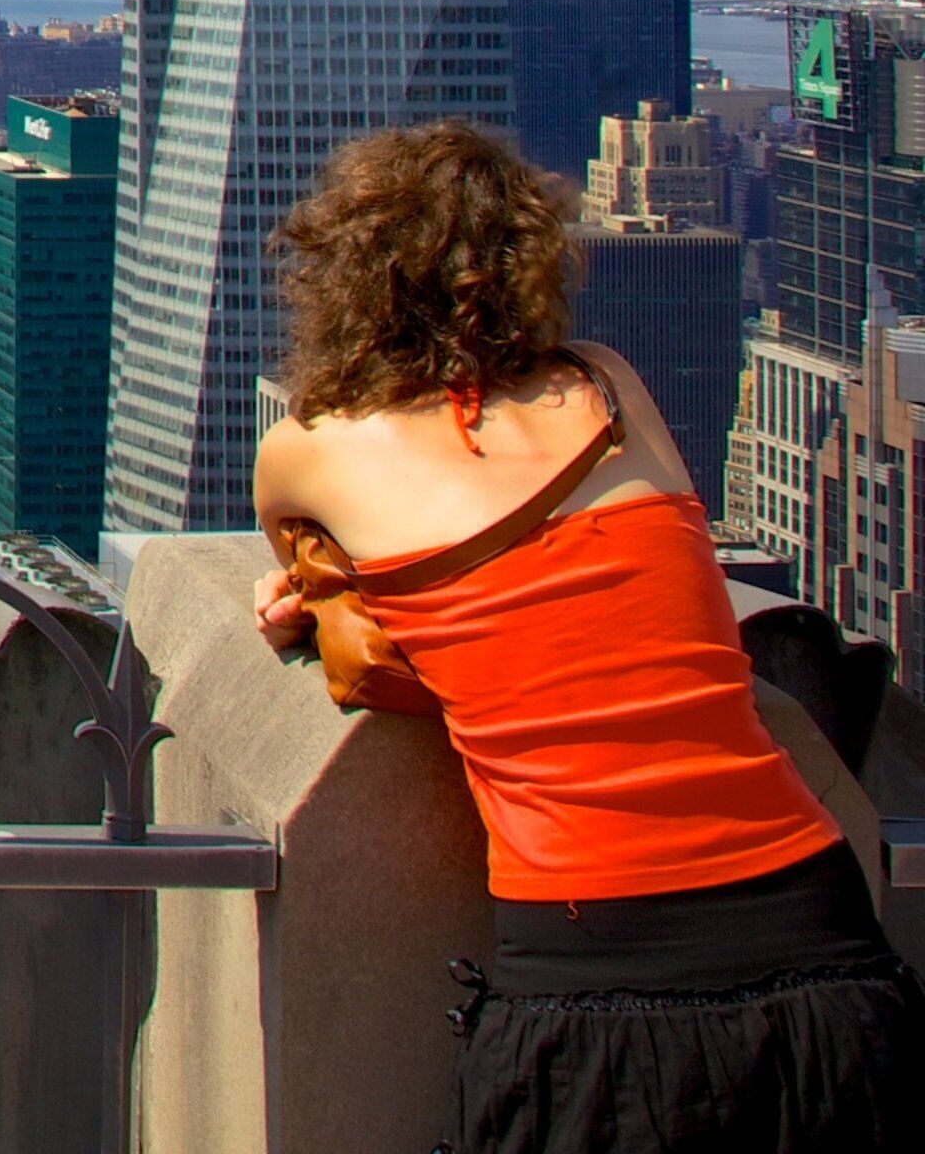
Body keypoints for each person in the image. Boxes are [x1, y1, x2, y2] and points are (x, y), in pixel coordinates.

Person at [251, 120, 922, 1152]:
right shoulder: (609, 389)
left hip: (593, 974)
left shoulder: (305, 452)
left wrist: (321, 598)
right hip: (822, 940)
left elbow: (339, 571)